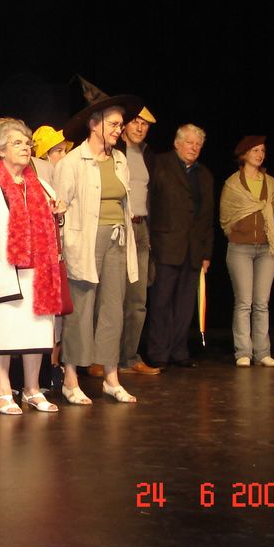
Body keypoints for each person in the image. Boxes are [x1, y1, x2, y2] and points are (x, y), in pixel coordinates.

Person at [0, 118, 65, 414]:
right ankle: (2, 388)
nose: (25, 148)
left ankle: (32, 389)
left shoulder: (41, 185)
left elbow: (51, 228)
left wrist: (58, 216)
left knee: (36, 332)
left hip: (38, 273)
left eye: (27, 143)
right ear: (0, 149)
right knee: (4, 331)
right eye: (17, 143)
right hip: (4, 270)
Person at [54, 97, 141, 404]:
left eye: (121, 124)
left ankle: (111, 377)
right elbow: (59, 209)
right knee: (81, 308)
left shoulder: (119, 160)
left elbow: (124, 201)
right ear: (94, 124)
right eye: (114, 124)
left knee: (113, 308)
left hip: (117, 240)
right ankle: (70, 378)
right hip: (85, 242)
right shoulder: (72, 163)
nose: (119, 130)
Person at [145, 124, 214, 369]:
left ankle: (179, 351)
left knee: (185, 305)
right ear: (177, 143)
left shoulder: (204, 174)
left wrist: (206, 253)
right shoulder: (159, 164)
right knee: (161, 302)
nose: (194, 148)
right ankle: (158, 353)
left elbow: (207, 216)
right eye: (189, 143)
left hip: (193, 250)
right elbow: (150, 203)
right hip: (166, 244)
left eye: (198, 144)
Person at [221, 136, 274, 367]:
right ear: (243, 154)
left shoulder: (271, 183)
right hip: (240, 248)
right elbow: (226, 217)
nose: (259, 154)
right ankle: (243, 352)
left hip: (267, 248)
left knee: (262, 303)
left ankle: (263, 352)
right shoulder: (232, 184)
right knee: (244, 302)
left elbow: (272, 211)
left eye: (262, 150)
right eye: (254, 150)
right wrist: (240, 234)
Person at [117, 108, 162, 376]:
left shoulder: (148, 154)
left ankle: (130, 357)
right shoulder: (114, 151)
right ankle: (102, 357)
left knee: (137, 299)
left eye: (144, 124)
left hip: (141, 227)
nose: (140, 127)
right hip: (119, 227)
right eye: (135, 121)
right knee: (112, 296)